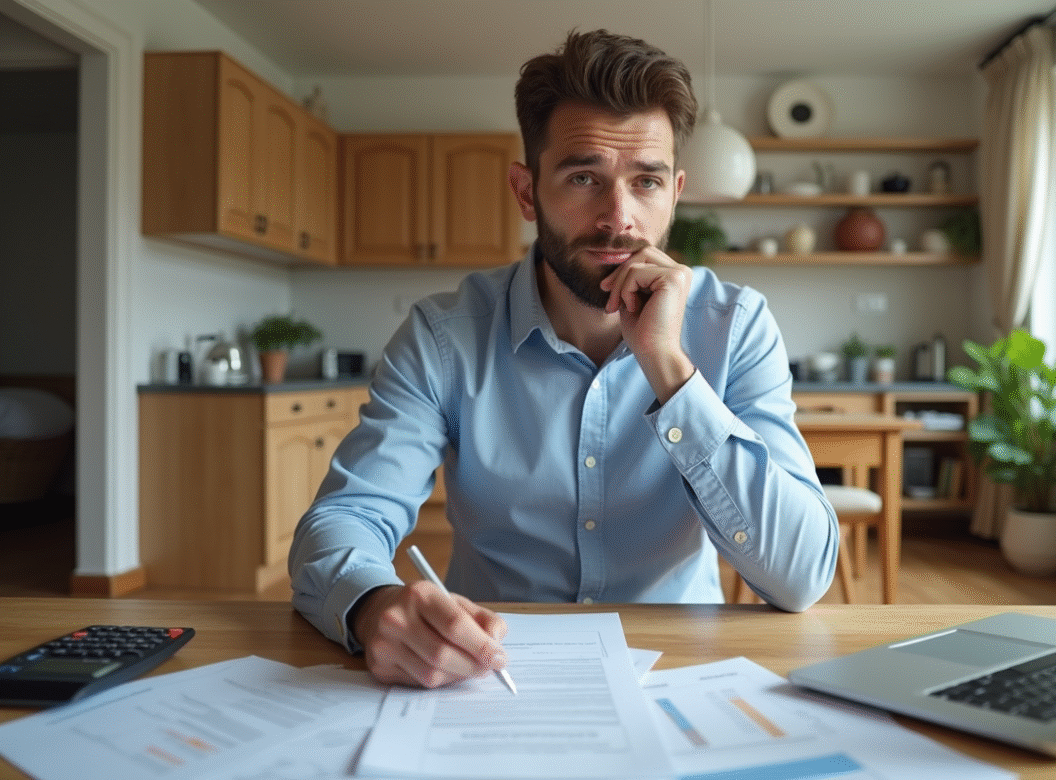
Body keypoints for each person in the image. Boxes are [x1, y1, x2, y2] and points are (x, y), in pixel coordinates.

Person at [289, 29, 838, 689]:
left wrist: (667, 366)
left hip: (678, 671)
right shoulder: (444, 335)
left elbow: (802, 576)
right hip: (487, 676)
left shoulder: (736, 328)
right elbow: (345, 518)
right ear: (527, 192)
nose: (619, 216)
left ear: (675, 193)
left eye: (646, 182)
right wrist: (373, 606)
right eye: (584, 177)